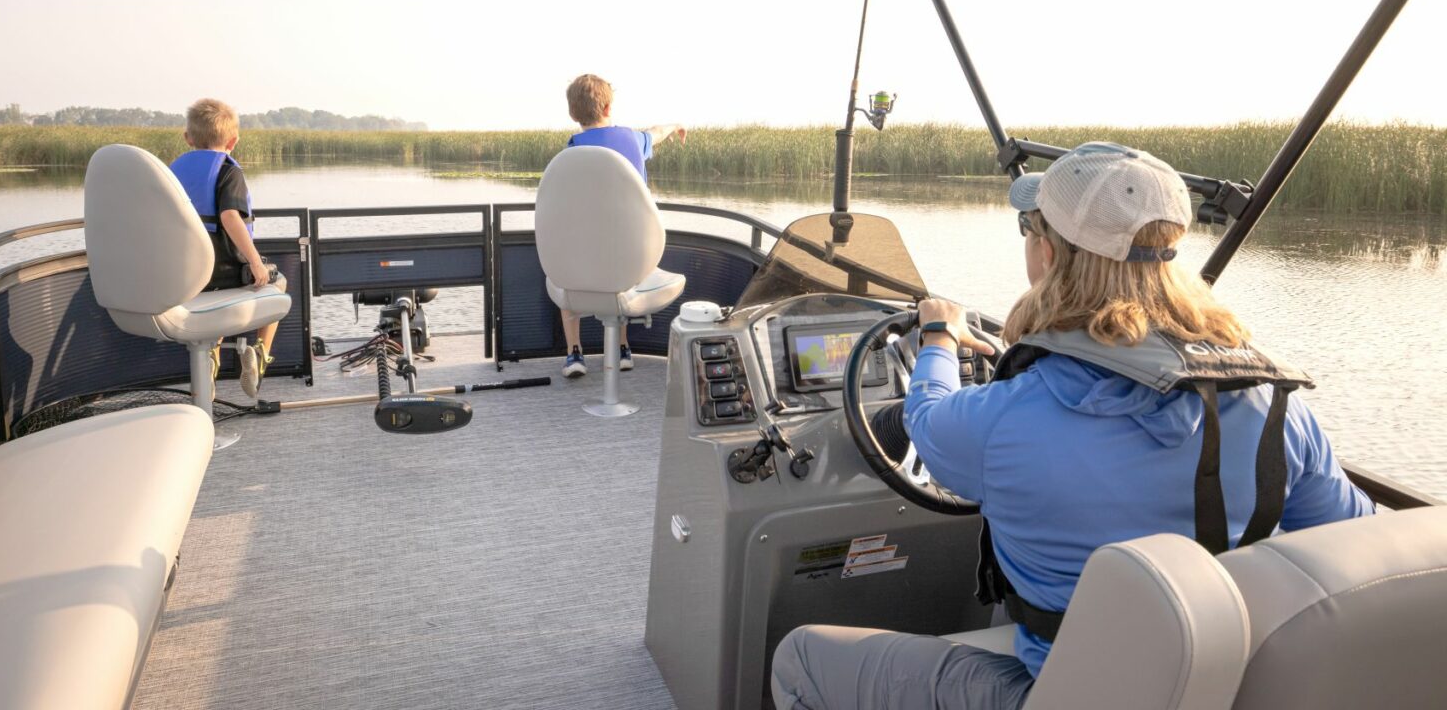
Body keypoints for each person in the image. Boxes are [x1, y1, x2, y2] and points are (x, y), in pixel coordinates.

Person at [771, 141, 1374, 710]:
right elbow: (1355, 539)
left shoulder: (1003, 418)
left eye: (1030, 228)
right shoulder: (1274, 408)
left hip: (1061, 692)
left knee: (798, 658)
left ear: (1050, 254)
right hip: (1216, 687)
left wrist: (936, 338)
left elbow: (926, 421)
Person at [558, 73, 686, 378]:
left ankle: (574, 354)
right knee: (622, 267)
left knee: (565, 281)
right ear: (607, 108)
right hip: (633, 263)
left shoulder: (571, 152)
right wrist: (677, 126)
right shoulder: (633, 139)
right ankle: (622, 349)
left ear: (573, 114)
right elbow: (657, 131)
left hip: (584, 264)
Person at [168, 98, 287, 399]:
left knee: (212, 302)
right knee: (279, 283)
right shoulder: (228, 172)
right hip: (224, 273)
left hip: (184, 274)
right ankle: (260, 355)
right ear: (232, 141)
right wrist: (256, 263)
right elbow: (230, 217)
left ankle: (210, 359)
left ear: (188, 138)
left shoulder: (171, 172)